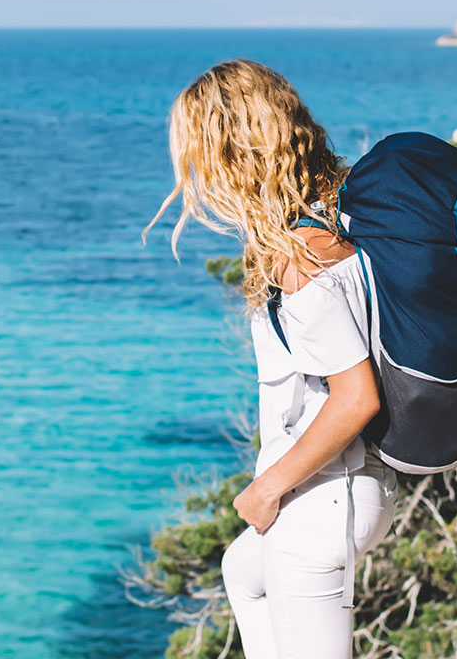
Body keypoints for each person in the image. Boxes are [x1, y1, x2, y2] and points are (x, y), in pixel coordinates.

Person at [146, 59, 399, 659]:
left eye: (203, 156)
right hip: (347, 492)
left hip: (322, 500)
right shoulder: (342, 219)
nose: (201, 177)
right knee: (243, 571)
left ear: (235, 153)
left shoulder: (299, 260)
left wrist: (267, 488)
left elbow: (356, 396)